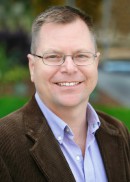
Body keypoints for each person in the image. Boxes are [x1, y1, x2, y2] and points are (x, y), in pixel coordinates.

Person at [0, 6, 129, 182]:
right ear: (32, 67)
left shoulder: (118, 134)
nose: (69, 68)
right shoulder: (4, 143)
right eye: (53, 56)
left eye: (81, 55)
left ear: (95, 63)